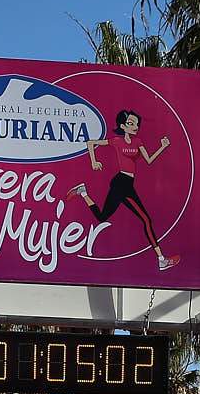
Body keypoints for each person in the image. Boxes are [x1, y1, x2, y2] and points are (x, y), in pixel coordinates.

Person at [68, 108, 179, 272]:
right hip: (121, 183)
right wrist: (94, 161)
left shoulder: (138, 142)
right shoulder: (117, 141)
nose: (135, 126)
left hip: (127, 184)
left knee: (102, 216)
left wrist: (162, 147)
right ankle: (161, 259)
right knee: (146, 220)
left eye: (136, 124)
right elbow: (91, 143)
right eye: (130, 123)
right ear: (123, 125)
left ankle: (83, 191)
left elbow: (148, 160)